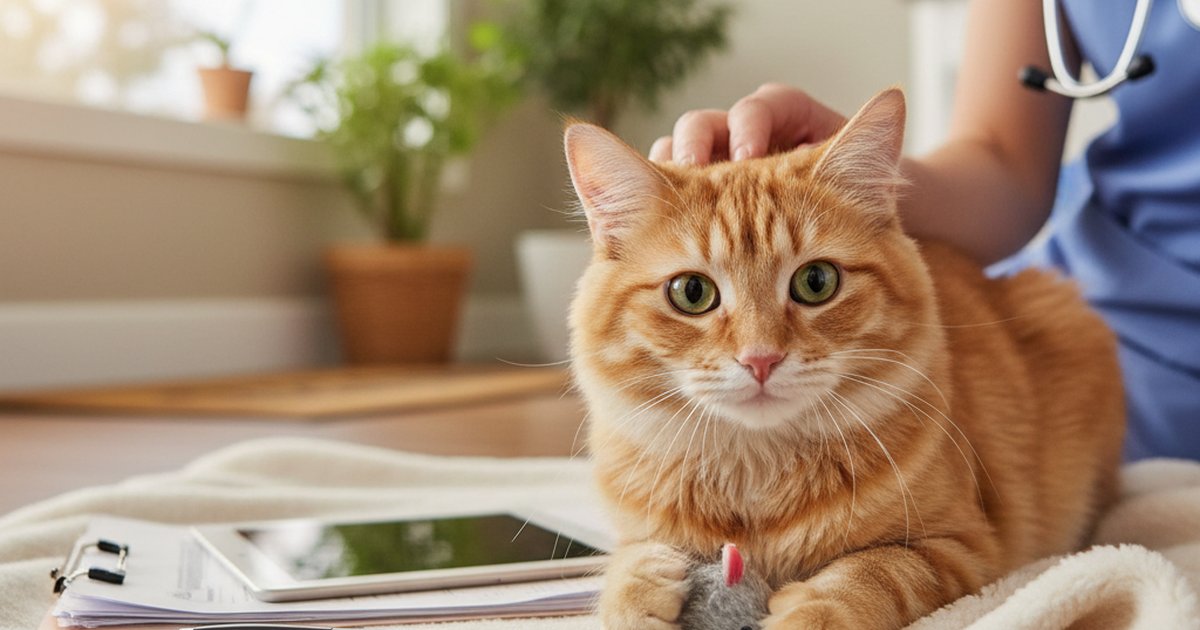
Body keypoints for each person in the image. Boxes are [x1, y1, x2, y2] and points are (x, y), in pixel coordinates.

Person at [648, 0, 1200, 461]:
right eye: (694, 292)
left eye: (812, 282)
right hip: (1116, 309)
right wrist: (855, 177)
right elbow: (1003, 160)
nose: (757, 347)